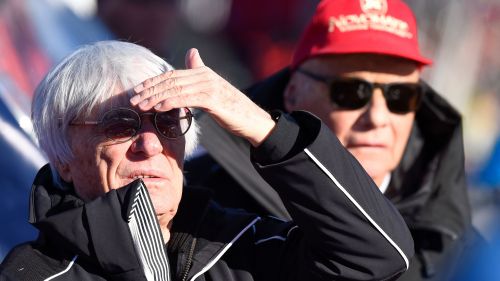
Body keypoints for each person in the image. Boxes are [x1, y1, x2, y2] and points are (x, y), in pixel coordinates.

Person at [0, 40, 413, 280]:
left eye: (167, 122)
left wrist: (259, 124)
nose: (150, 144)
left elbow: (378, 256)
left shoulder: (241, 246)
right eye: (120, 124)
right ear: (63, 155)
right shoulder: (34, 274)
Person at [185, 0, 478, 280]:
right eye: (351, 92)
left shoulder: (456, 240)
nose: (377, 117)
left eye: (400, 97)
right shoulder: (205, 200)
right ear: (294, 93)